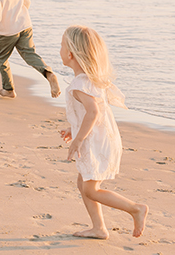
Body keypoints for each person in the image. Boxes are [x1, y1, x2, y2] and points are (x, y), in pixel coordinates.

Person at [58, 25, 148, 239]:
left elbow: (94, 112)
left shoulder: (80, 84)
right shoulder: (90, 79)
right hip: (101, 137)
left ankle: (136, 209)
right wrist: (74, 128)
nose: (59, 50)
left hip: (94, 142)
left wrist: (78, 139)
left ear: (70, 53)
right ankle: (98, 228)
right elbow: (89, 114)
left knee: (90, 189)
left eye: (61, 46)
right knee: (84, 183)